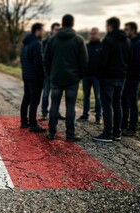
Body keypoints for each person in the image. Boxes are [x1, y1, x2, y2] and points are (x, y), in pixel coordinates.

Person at [44, 14, 88, 142]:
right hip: (72, 79)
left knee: (54, 105)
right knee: (70, 106)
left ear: (62, 23)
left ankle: (51, 132)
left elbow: (46, 60)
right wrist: (79, 76)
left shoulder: (52, 40)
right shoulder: (79, 40)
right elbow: (84, 62)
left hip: (56, 77)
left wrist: (50, 74)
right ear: (73, 24)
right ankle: (70, 134)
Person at [93, 17, 130, 143]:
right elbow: (129, 59)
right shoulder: (126, 41)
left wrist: (99, 74)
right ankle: (117, 133)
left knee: (107, 105)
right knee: (117, 104)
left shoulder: (108, 41)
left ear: (110, 26)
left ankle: (107, 133)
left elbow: (103, 61)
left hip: (108, 77)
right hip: (121, 77)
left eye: (106, 25)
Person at [20, 23, 46, 132]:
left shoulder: (25, 43)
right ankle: (33, 124)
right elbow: (38, 63)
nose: (44, 32)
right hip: (35, 77)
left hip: (26, 75)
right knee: (34, 101)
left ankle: (23, 122)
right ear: (38, 30)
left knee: (26, 98)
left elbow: (22, 60)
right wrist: (42, 76)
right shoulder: (36, 44)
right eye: (43, 30)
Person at [122, 22, 140, 137]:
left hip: (133, 78)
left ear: (133, 30)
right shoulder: (129, 42)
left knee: (132, 102)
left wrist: (129, 73)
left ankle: (132, 128)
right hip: (126, 77)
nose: (125, 31)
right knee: (123, 101)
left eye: (127, 29)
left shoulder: (139, 44)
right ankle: (123, 125)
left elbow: (138, 64)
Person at [77, 27, 102, 124]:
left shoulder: (102, 46)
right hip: (86, 76)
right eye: (91, 34)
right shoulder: (86, 46)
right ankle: (85, 115)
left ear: (99, 34)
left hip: (98, 77)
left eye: (94, 33)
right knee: (85, 96)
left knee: (98, 97)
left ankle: (98, 117)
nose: (92, 35)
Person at [41, 22, 65, 121]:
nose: (58, 31)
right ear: (51, 30)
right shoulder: (45, 41)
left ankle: (57, 112)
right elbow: (43, 56)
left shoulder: (61, 41)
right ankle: (44, 113)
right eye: (56, 29)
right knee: (46, 93)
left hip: (57, 73)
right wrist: (46, 70)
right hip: (48, 73)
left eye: (59, 30)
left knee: (57, 94)